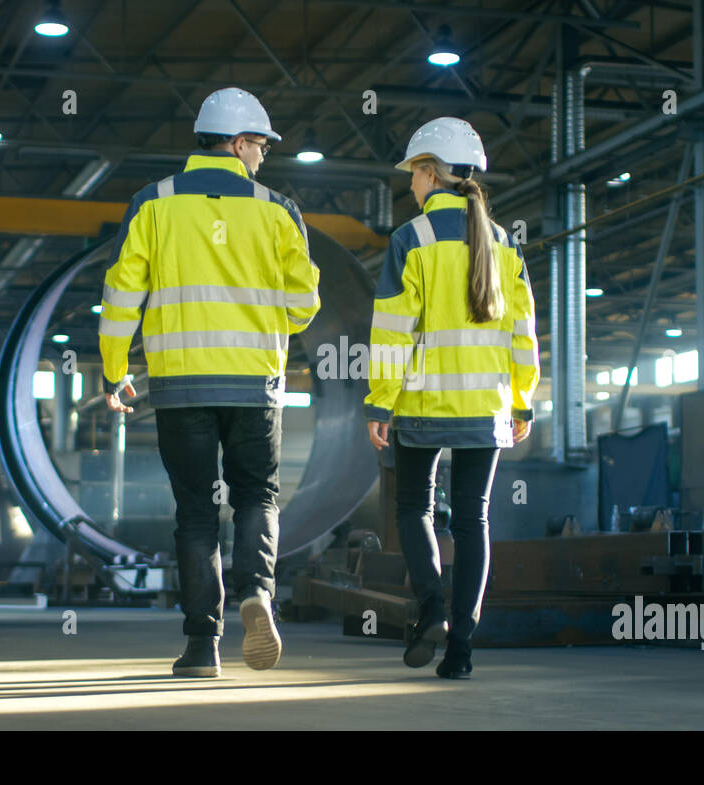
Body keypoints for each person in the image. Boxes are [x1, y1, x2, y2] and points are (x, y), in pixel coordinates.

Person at [98, 87, 320, 678]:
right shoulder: (278, 210)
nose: (263, 158)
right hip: (253, 384)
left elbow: (120, 296)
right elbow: (305, 304)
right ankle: (256, 592)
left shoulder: (153, 204)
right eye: (261, 147)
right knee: (257, 497)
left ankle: (201, 647)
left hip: (179, 384)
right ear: (240, 141)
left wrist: (116, 370)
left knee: (196, 513)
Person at [364, 117, 539, 679]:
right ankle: (461, 650)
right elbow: (524, 332)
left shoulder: (410, 240)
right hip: (486, 408)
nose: (410, 186)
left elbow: (392, 331)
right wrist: (521, 401)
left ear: (429, 172)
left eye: (413, 175)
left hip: (421, 404)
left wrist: (380, 402)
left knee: (414, 509)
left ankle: (431, 609)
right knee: (473, 520)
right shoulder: (503, 243)